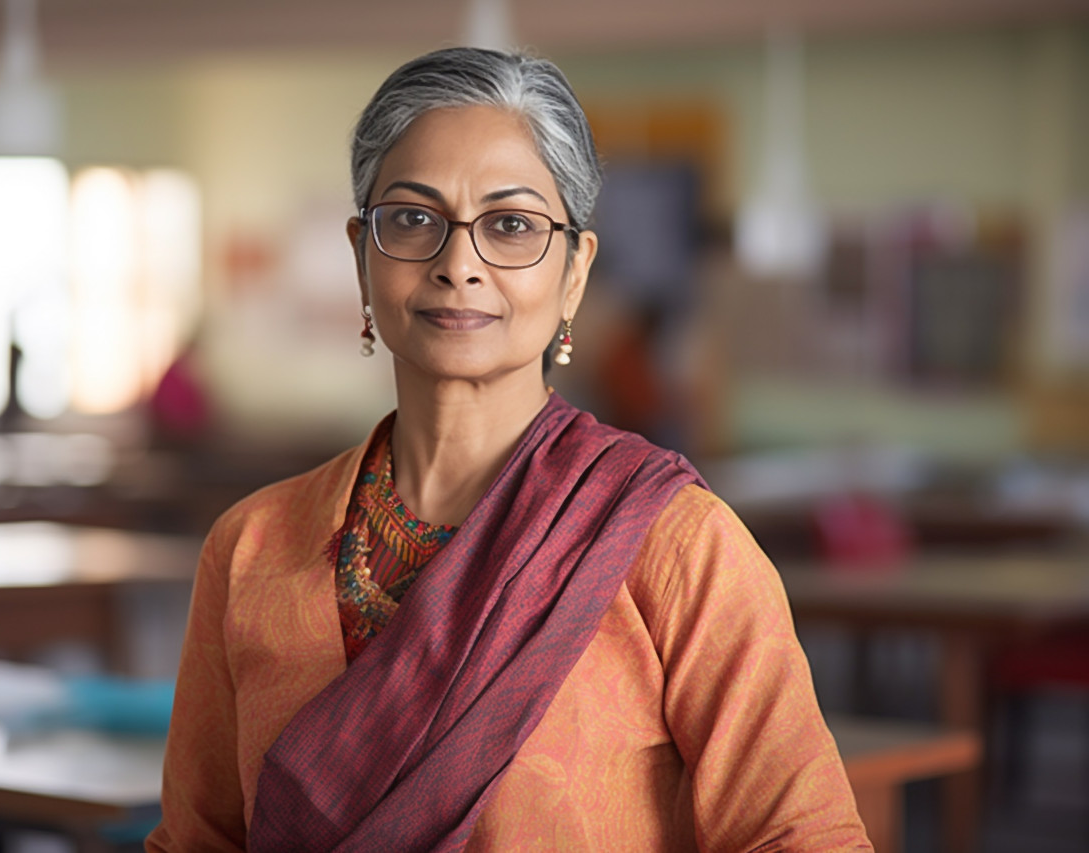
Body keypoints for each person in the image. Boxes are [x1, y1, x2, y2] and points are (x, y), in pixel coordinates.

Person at [146, 47, 870, 852]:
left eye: (512, 225)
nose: (460, 264)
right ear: (360, 254)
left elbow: (803, 838)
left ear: (573, 272)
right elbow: (196, 839)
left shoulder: (677, 545)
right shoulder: (249, 548)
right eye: (414, 218)